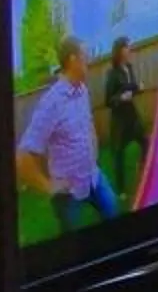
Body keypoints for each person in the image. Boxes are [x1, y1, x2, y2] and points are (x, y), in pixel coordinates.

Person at [15, 36, 120, 231]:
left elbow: (87, 124)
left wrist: (94, 152)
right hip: (68, 193)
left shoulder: (82, 90)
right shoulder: (51, 103)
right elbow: (23, 157)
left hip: (93, 177)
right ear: (73, 60)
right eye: (85, 55)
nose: (89, 59)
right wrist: (49, 187)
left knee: (114, 215)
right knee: (73, 248)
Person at [100, 37, 145, 198]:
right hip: (120, 120)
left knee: (145, 140)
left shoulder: (129, 68)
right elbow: (108, 100)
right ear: (120, 51)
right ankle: (121, 190)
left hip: (131, 115)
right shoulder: (112, 74)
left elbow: (130, 88)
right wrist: (120, 98)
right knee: (118, 154)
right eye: (127, 47)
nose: (130, 50)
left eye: (129, 47)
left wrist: (138, 88)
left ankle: (143, 168)